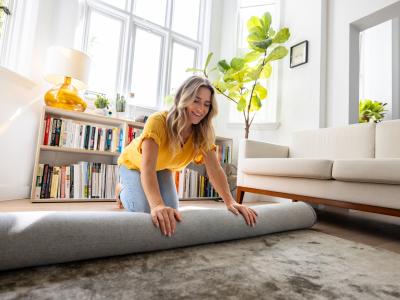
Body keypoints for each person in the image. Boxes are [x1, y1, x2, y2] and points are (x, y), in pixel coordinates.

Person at [117, 75, 258, 236]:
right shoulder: (158, 121)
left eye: (206, 104)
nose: (201, 109)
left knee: (172, 213)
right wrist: (156, 205)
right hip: (133, 165)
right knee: (145, 211)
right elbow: (147, 168)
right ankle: (121, 190)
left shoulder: (203, 132)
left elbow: (215, 169)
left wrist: (230, 201)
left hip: (162, 168)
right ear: (183, 98)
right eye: (196, 100)